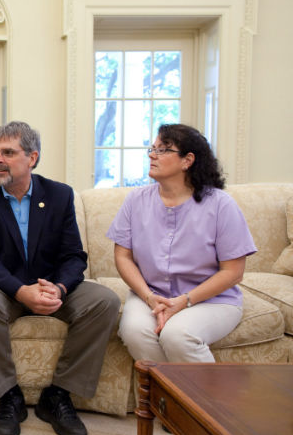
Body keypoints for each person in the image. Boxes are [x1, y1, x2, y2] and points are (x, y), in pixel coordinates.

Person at [0, 121, 120, 435]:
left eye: (9, 153)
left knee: (105, 301)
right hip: (1, 288)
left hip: (49, 285)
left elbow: (73, 256)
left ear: (32, 158)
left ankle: (57, 396)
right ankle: (9, 397)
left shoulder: (58, 195)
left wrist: (59, 288)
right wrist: (21, 291)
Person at [107, 123, 256, 364]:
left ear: (187, 160)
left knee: (177, 335)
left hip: (210, 300)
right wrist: (148, 297)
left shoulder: (221, 205)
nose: (152, 155)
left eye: (163, 150)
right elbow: (123, 256)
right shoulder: (136, 200)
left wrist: (185, 301)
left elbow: (233, 272)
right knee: (135, 332)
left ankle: (206, 402)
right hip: (150, 295)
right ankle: (169, 400)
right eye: (152, 148)